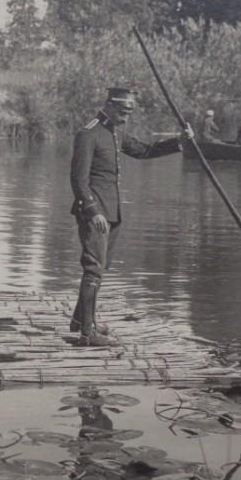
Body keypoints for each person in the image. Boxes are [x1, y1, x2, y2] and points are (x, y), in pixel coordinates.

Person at [69, 87, 193, 347]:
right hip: (96, 213)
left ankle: (81, 319)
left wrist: (179, 141)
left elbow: (144, 151)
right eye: (123, 111)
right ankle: (88, 333)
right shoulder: (89, 133)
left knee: (101, 267)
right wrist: (92, 211)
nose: (126, 117)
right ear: (110, 105)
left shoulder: (115, 132)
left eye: (129, 112)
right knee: (93, 268)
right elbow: (78, 179)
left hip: (112, 211)